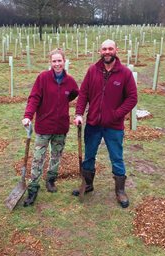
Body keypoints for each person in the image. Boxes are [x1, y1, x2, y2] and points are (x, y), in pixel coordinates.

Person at [72, 39, 137, 208]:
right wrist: (79, 113)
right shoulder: (92, 70)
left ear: (116, 50)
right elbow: (84, 94)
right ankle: (88, 184)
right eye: (104, 49)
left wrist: (117, 114)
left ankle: (120, 191)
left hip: (113, 126)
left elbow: (132, 98)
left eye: (110, 49)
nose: (107, 52)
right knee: (89, 155)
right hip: (93, 123)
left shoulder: (125, 73)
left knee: (116, 157)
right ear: (100, 51)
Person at [22, 48, 79, 207]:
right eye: (54, 61)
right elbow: (34, 97)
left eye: (59, 60)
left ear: (64, 61)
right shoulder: (43, 78)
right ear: (50, 62)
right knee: (38, 157)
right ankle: (33, 188)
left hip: (61, 126)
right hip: (44, 125)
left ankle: (51, 179)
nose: (57, 64)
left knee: (56, 155)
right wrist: (28, 115)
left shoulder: (70, 81)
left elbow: (74, 94)